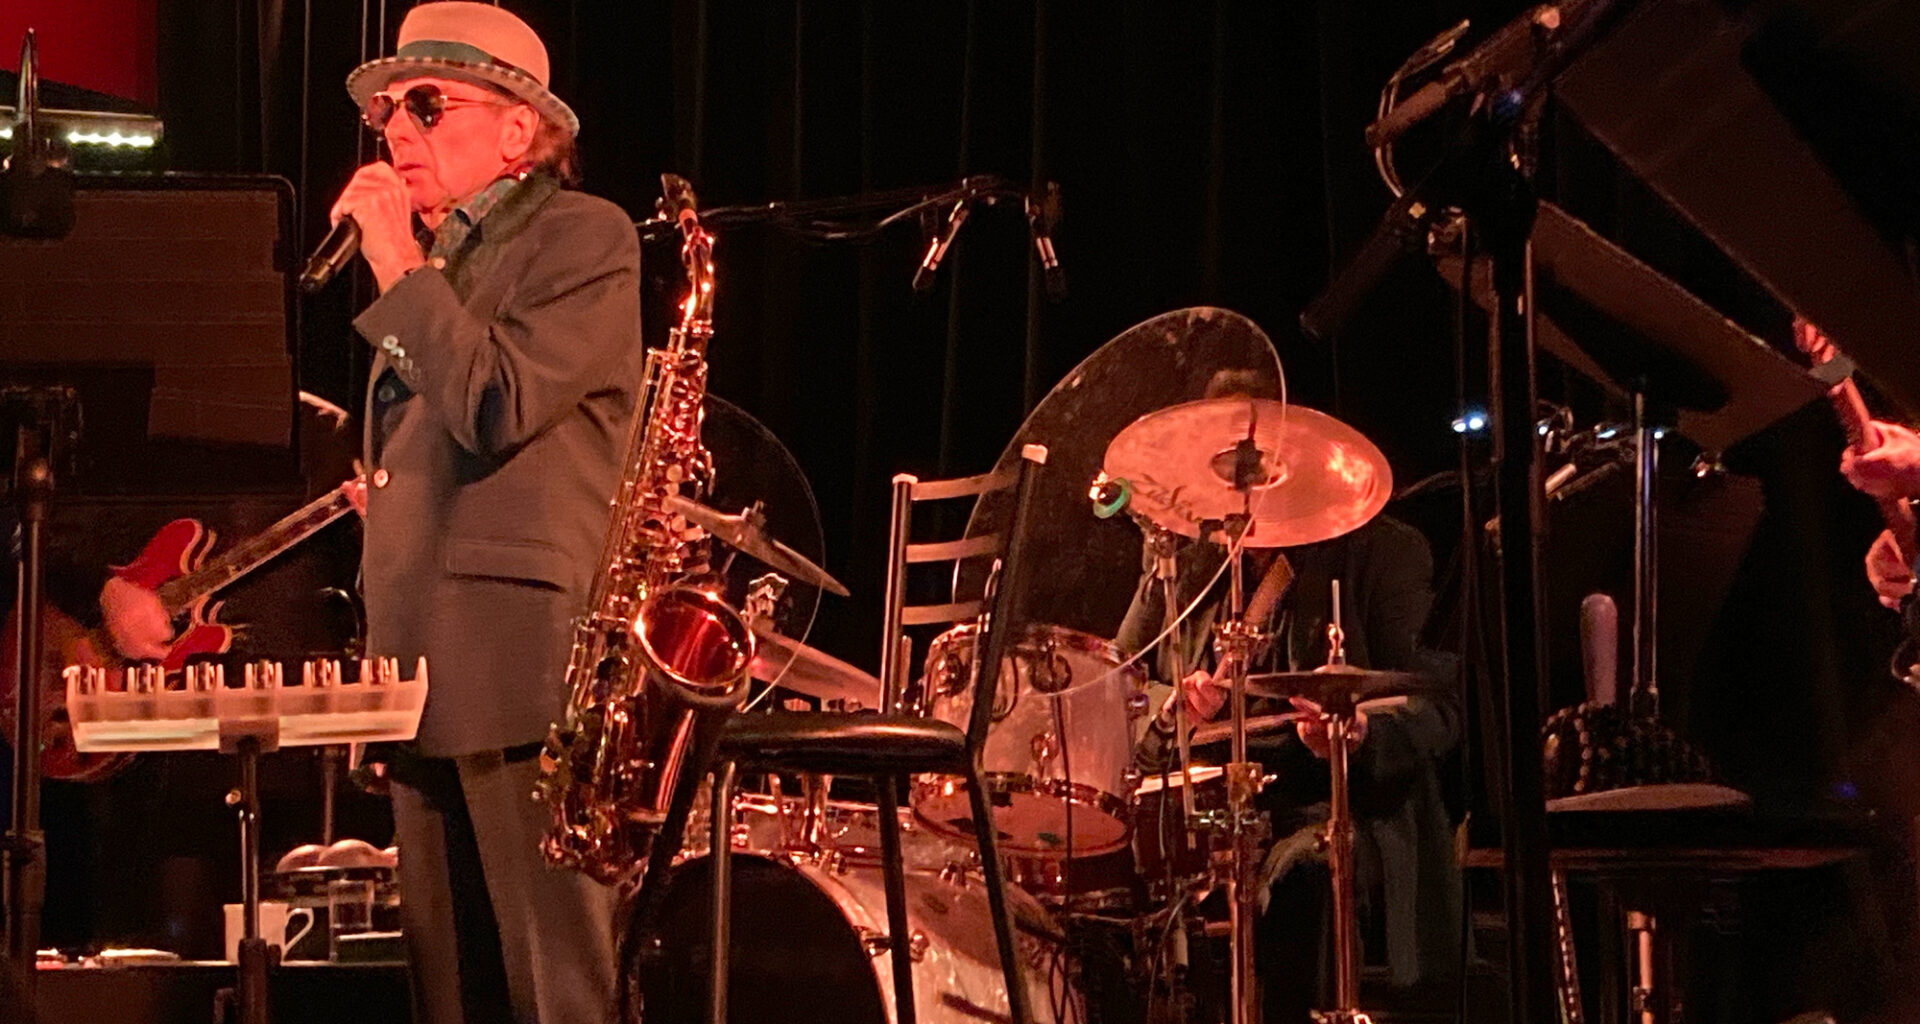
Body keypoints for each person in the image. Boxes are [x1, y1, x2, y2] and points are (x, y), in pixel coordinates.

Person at [105, 4, 640, 1022]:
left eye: (428, 105)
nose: (396, 130)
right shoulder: (446, 266)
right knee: (452, 992)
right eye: (389, 110)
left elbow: (496, 401)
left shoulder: (582, 237)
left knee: (554, 988)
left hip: (521, 669)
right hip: (419, 671)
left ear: (518, 131)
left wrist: (397, 265)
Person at [1117, 484, 1462, 1022]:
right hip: (1199, 813)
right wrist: (1174, 707)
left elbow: (1437, 706)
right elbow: (1120, 685)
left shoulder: (1383, 551)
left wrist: (1359, 732)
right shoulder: (1186, 566)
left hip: (1337, 805)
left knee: (1305, 872)